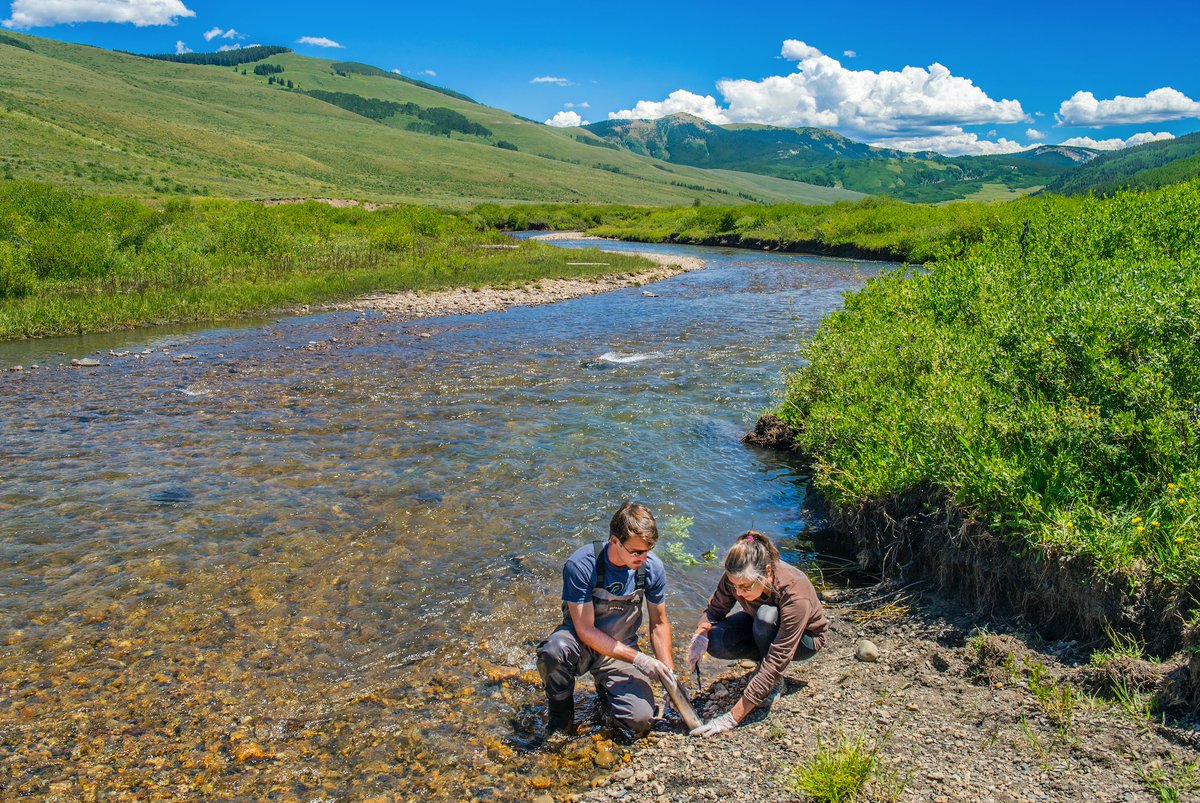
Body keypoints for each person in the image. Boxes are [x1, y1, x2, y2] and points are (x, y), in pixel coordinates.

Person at [536, 501, 676, 738]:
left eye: (648, 550)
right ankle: (561, 722)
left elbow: (659, 623)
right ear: (614, 541)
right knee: (553, 652)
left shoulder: (651, 568)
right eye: (636, 552)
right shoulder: (581, 565)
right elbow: (585, 630)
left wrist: (669, 677)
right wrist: (640, 659)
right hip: (581, 644)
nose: (644, 558)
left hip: (620, 651)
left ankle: (607, 693)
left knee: (641, 720)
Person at [686, 530, 828, 737]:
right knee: (715, 639)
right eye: (735, 586)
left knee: (766, 616)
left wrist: (731, 718)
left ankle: (774, 683)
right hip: (760, 627)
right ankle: (763, 666)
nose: (739, 593)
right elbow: (714, 611)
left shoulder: (794, 591)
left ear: (768, 572)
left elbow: (780, 655)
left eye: (745, 587)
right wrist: (699, 636)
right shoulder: (736, 578)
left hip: (805, 641)